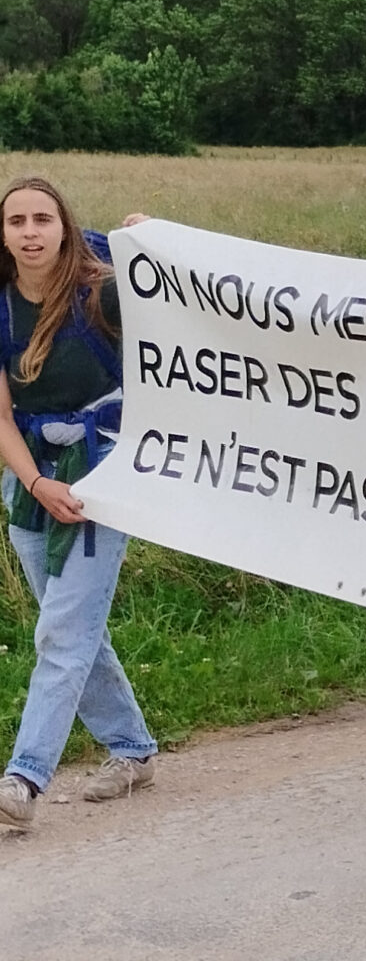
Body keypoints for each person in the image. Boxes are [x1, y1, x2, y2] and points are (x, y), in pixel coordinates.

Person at [0, 178, 155, 834]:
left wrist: (154, 247)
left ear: (64, 227)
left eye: (42, 219)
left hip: (102, 471)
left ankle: (23, 777)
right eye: (16, 221)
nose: (30, 231)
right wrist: (36, 483)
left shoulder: (102, 292)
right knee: (75, 629)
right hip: (34, 480)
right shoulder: (1, 308)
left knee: (63, 632)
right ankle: (133, 750)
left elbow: (182, 306)